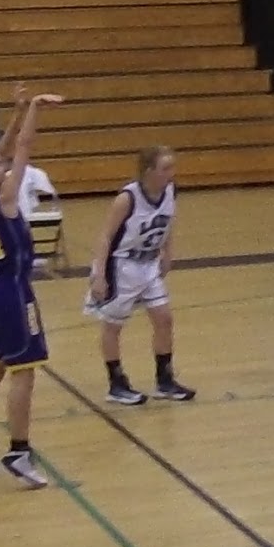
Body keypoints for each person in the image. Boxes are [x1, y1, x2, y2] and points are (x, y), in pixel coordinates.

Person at [0, 87, 65, 489]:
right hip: (12, 293)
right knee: (25, 372)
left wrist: (17, 110)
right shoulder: (5, 195)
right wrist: (35, 109)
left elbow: (5, 148)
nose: (1, 162)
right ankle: (19, 451)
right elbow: (23, 146)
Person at [85, 147, 195, 405]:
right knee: (113, 325)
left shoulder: (170, 191)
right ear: (148, 171)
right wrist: (99, 274)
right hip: (121, 265)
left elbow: (168, 222)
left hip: (149, 264)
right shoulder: (127, 198)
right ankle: (116, 384)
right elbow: (106, 236)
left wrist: (167, 252)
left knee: (164, 319)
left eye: (172, 167)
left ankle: (165, 381)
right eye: (165, 168)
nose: (171, 173)